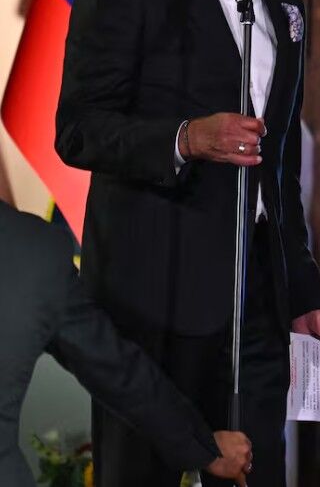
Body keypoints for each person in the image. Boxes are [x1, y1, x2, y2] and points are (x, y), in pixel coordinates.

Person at [55, 0, 320, 487]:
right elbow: (78, 130)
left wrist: (303, 292)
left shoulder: (282, 8)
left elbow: (279, 174)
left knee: (258, 471)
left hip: (255, 302)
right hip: (153, 294)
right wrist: (185, 137)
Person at [0, 200, 253, 487]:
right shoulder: (34, 251)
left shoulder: (35, 251)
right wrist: (204, 447)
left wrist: (202, 447)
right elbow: (117, 371)